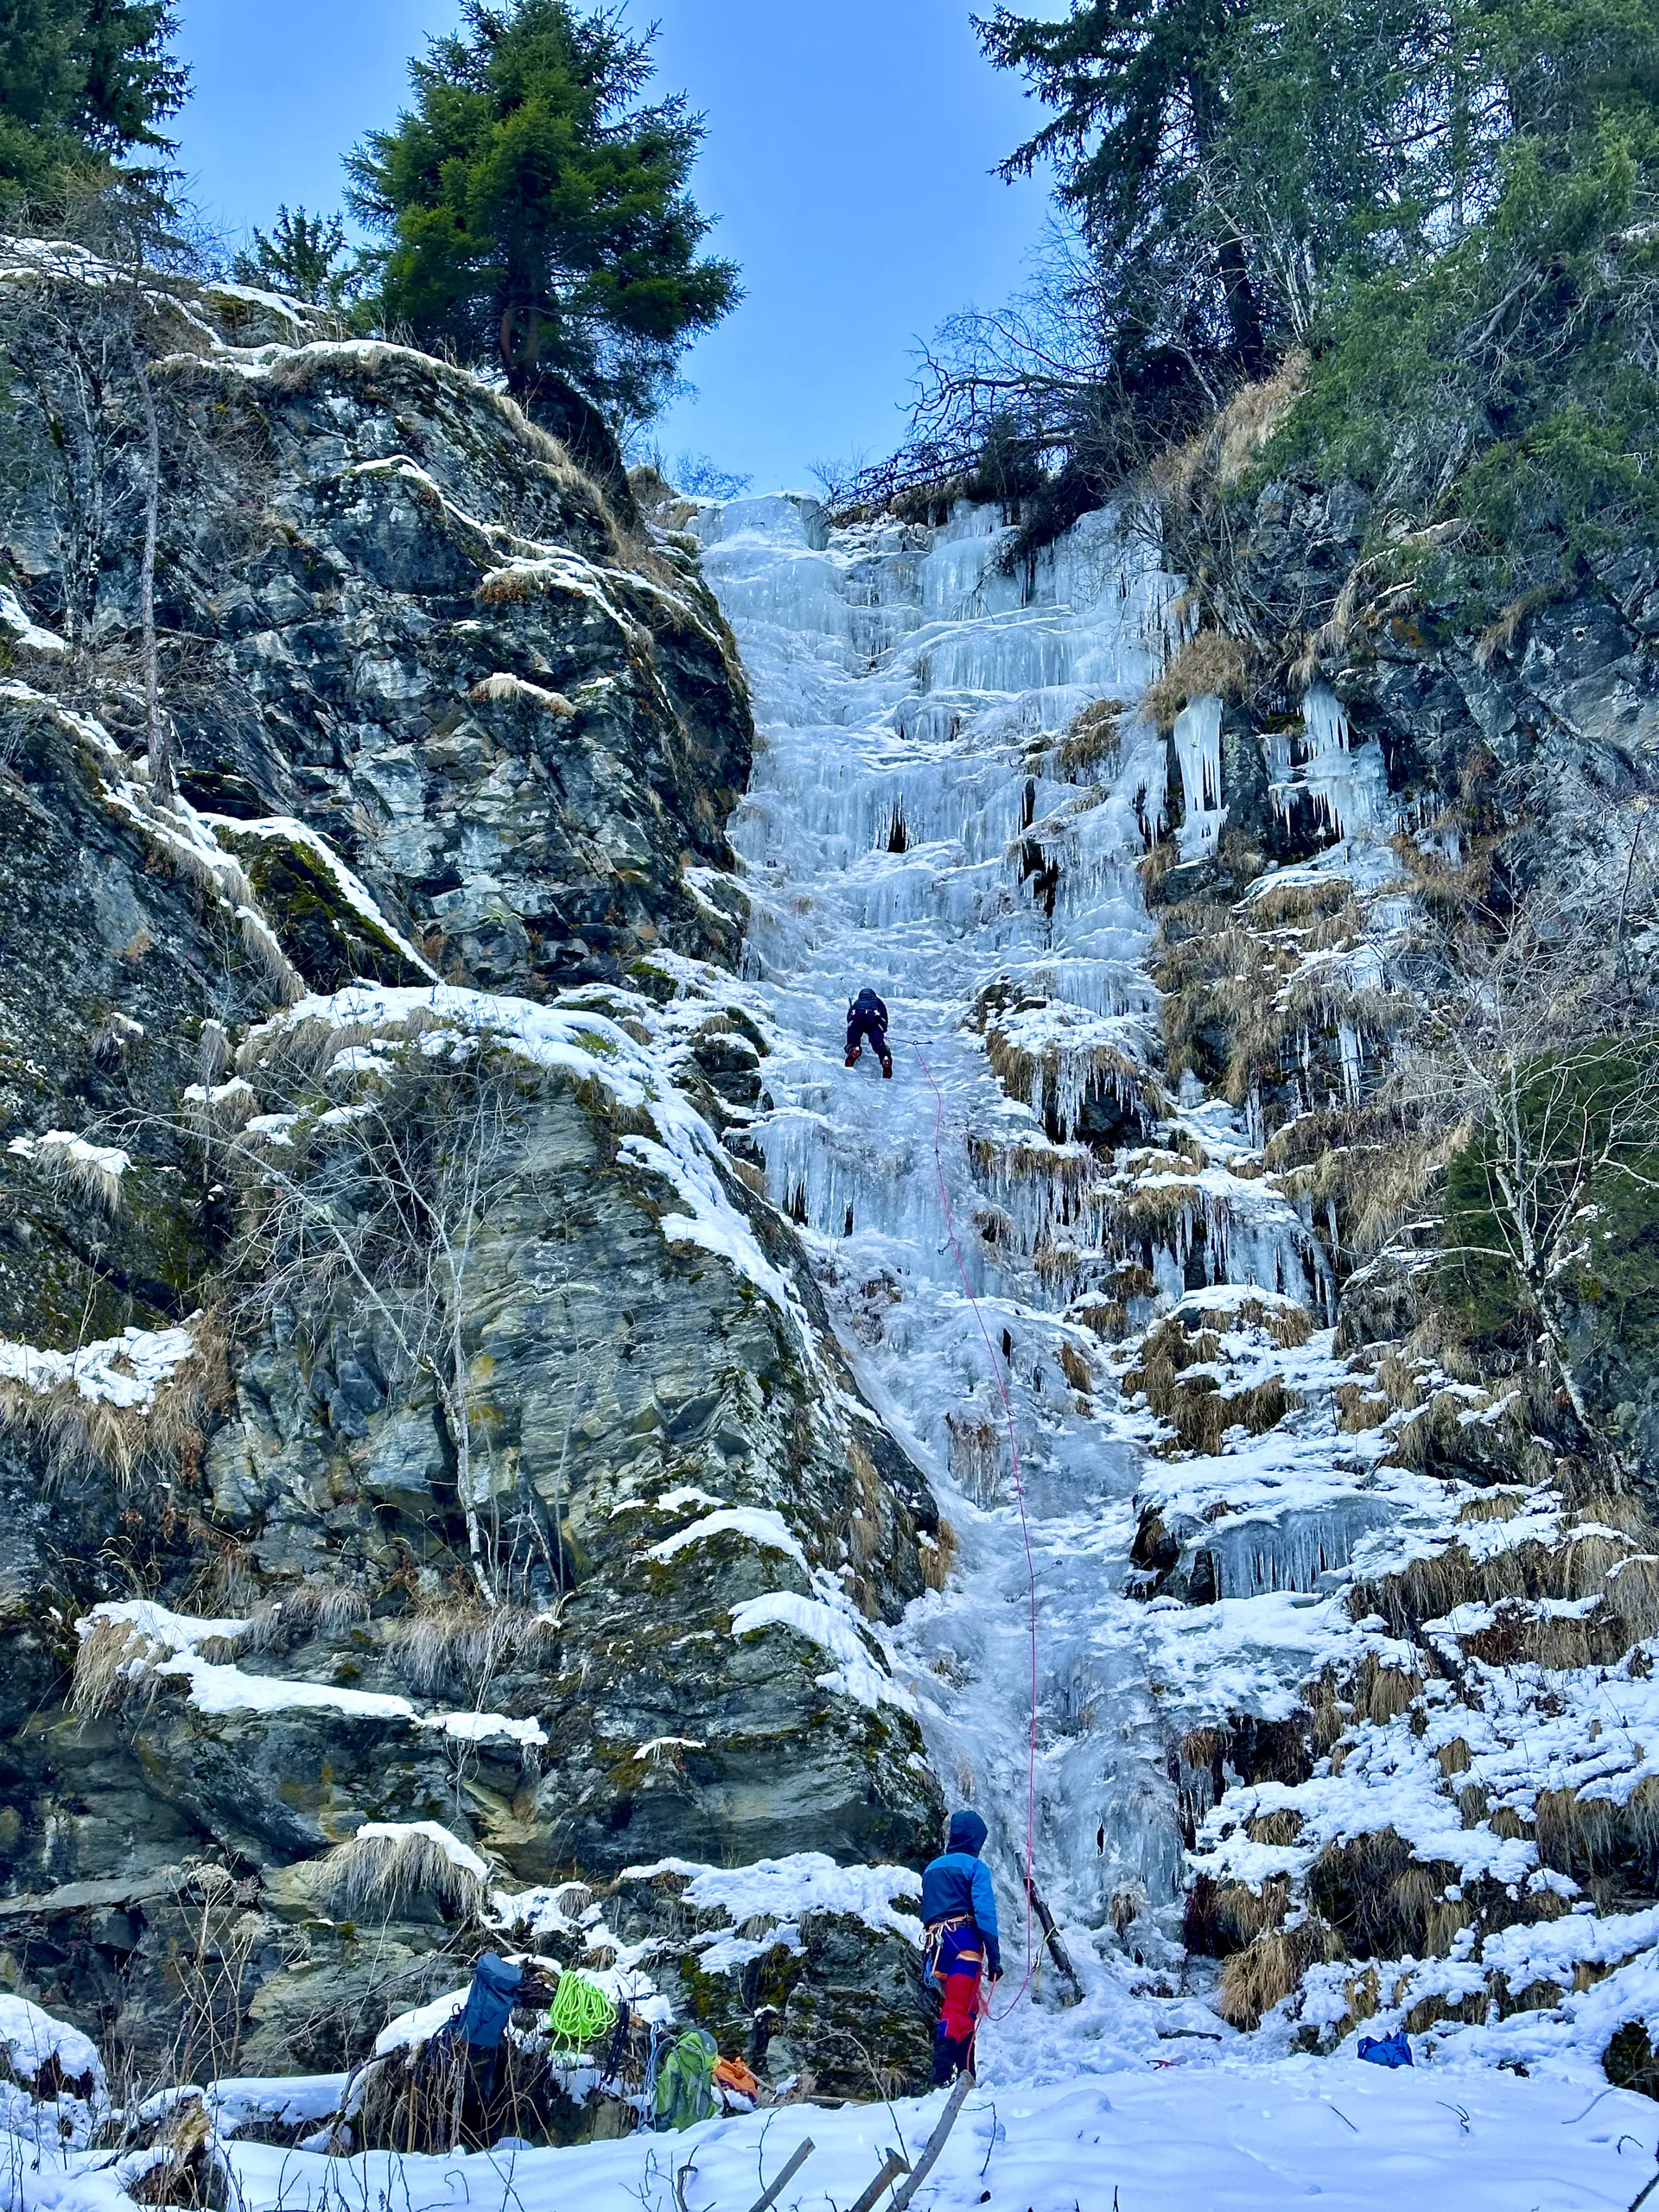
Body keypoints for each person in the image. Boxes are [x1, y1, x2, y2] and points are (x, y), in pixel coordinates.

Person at [919, 1808, 1001, 2084]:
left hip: (936, 1947)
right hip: (964, 1942)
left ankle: (967, 2072)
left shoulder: (932, 1868)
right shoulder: (975, 1867)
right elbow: (985, 1912)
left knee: (969, 2006)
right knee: (957, 2005)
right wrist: (994, 1957)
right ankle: (941, 2074)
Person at [845, 987, 893, 1077]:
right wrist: (882, 1030)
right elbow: (884, 1017)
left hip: (857, 1017)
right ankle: (885, 1058)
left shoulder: (857, 1002)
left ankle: (854, 1049)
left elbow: (849, 1018)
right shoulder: (878, 1002)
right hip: (874, 1018)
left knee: (853, 1038)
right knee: (878, 1043)